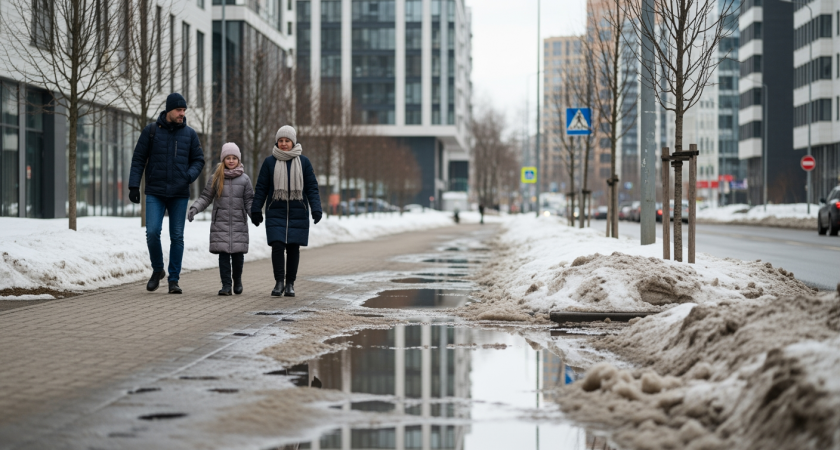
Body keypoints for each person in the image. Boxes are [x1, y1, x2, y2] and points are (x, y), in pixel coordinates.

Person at [128, 93, 205, 294]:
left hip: (179, 193)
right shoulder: (151, 131)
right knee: (152, 232)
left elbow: (199, 160)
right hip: (155, 191)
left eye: (184, 110)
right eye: (179, 110)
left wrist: (188, 176)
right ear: (169, 110)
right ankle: (157, 269)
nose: (182, 114)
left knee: (177, 236)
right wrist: (133, 186)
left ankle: (174, 279)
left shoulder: (190, 134)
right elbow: (138, 159)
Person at [250, 126, 322, 297]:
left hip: (298, 212)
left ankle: (290, 284)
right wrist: (256, 209)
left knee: (293, 248)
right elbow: (261, 188)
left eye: (287, 141)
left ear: (293, 142)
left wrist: (316, 208)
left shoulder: (304, 162)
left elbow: (312, 188)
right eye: (280, 141)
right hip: (276, 211)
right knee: (277, 246)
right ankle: (279, 282)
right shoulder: (269, 162)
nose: (283, 144)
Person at [187, 143, 254, 296]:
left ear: (238, 160)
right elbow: (206, 197)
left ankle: (237, 280)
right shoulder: (216, 178)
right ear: (223, 160)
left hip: (238, 224)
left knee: (238, 256)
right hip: (220, 224)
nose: (231, 161)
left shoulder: (245, 179)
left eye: (234, 158)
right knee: (223, 256)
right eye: (228, 158)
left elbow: (249, 200)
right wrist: (195, 208)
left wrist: (254, 215)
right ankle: (226, 285)